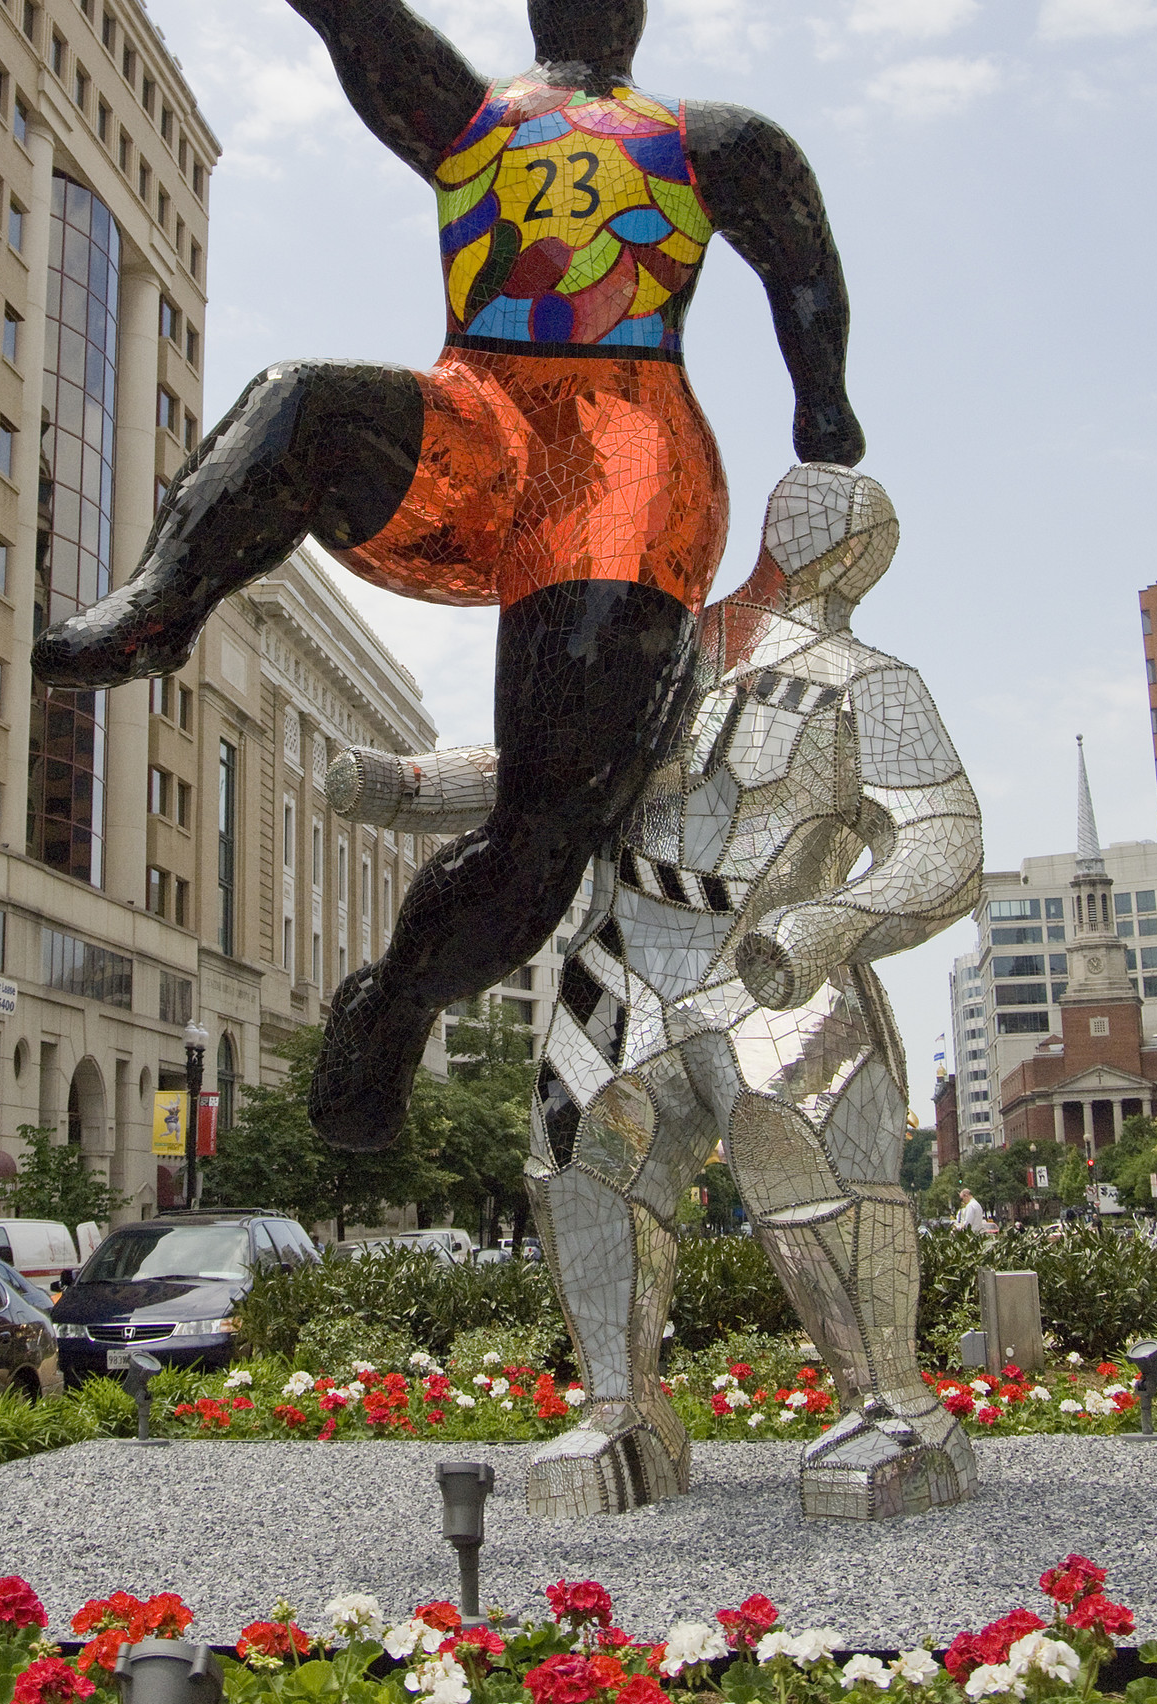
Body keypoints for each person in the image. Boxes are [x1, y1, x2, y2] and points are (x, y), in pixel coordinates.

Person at [30, 0, 864, 1155]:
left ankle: (396, 1000)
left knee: (544, 825)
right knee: (302, 401)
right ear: (608, 27)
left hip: (615, 468)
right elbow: (806, 263)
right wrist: (823, 399)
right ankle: (163, 606)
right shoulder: (621, 135)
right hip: (521, 435)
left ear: (565, 25)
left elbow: (360, 18)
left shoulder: (660, 136)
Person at [329, 464, 983, 1521]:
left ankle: (892, 1403)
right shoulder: (654, 659)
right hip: (624, 956)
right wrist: (401, 784)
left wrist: (838, 921)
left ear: (857, 554)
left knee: (802, 1148)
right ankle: (622, 1406)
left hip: (771, 960)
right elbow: (537, 770)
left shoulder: (872, 682)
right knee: (580, 1162)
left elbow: (945, 835)